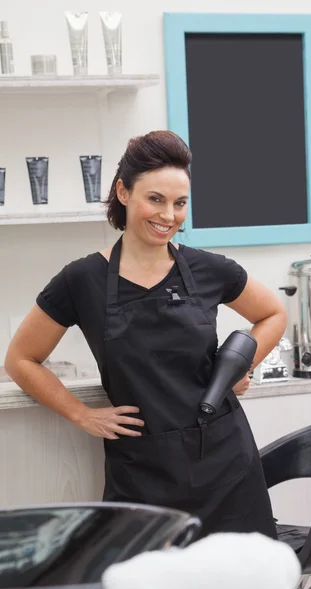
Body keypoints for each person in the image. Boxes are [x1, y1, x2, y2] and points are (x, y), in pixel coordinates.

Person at [5, 130, 287, 539]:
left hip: (226, 466)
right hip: (142, 473)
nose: (168, 215)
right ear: (123, 192)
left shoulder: (210, 269)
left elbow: (274, 313)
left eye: (180, 203)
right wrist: (80, 413)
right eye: (155, 199)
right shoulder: (82, 279)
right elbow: (21, 359)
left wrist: (241, 365)